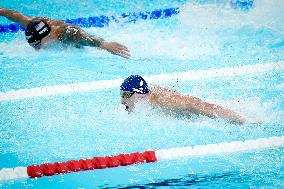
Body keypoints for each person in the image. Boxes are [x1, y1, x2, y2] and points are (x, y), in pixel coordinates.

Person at [0, 7, 130, 58]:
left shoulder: (62, 33)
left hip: (81, 42)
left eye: (38, 45)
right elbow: (14, 15)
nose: (36, 49)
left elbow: (79, 34)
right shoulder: (33, 25)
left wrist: (103, 44)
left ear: (46, 36)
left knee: (81, 46)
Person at [120, 75, 247, 124]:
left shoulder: (168, 102)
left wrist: (244, 120)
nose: (122, 101)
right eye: (121, 95)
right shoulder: (146, 96)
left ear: (139, 94)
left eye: (125, 95)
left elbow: (205, 107)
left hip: (206, 115)